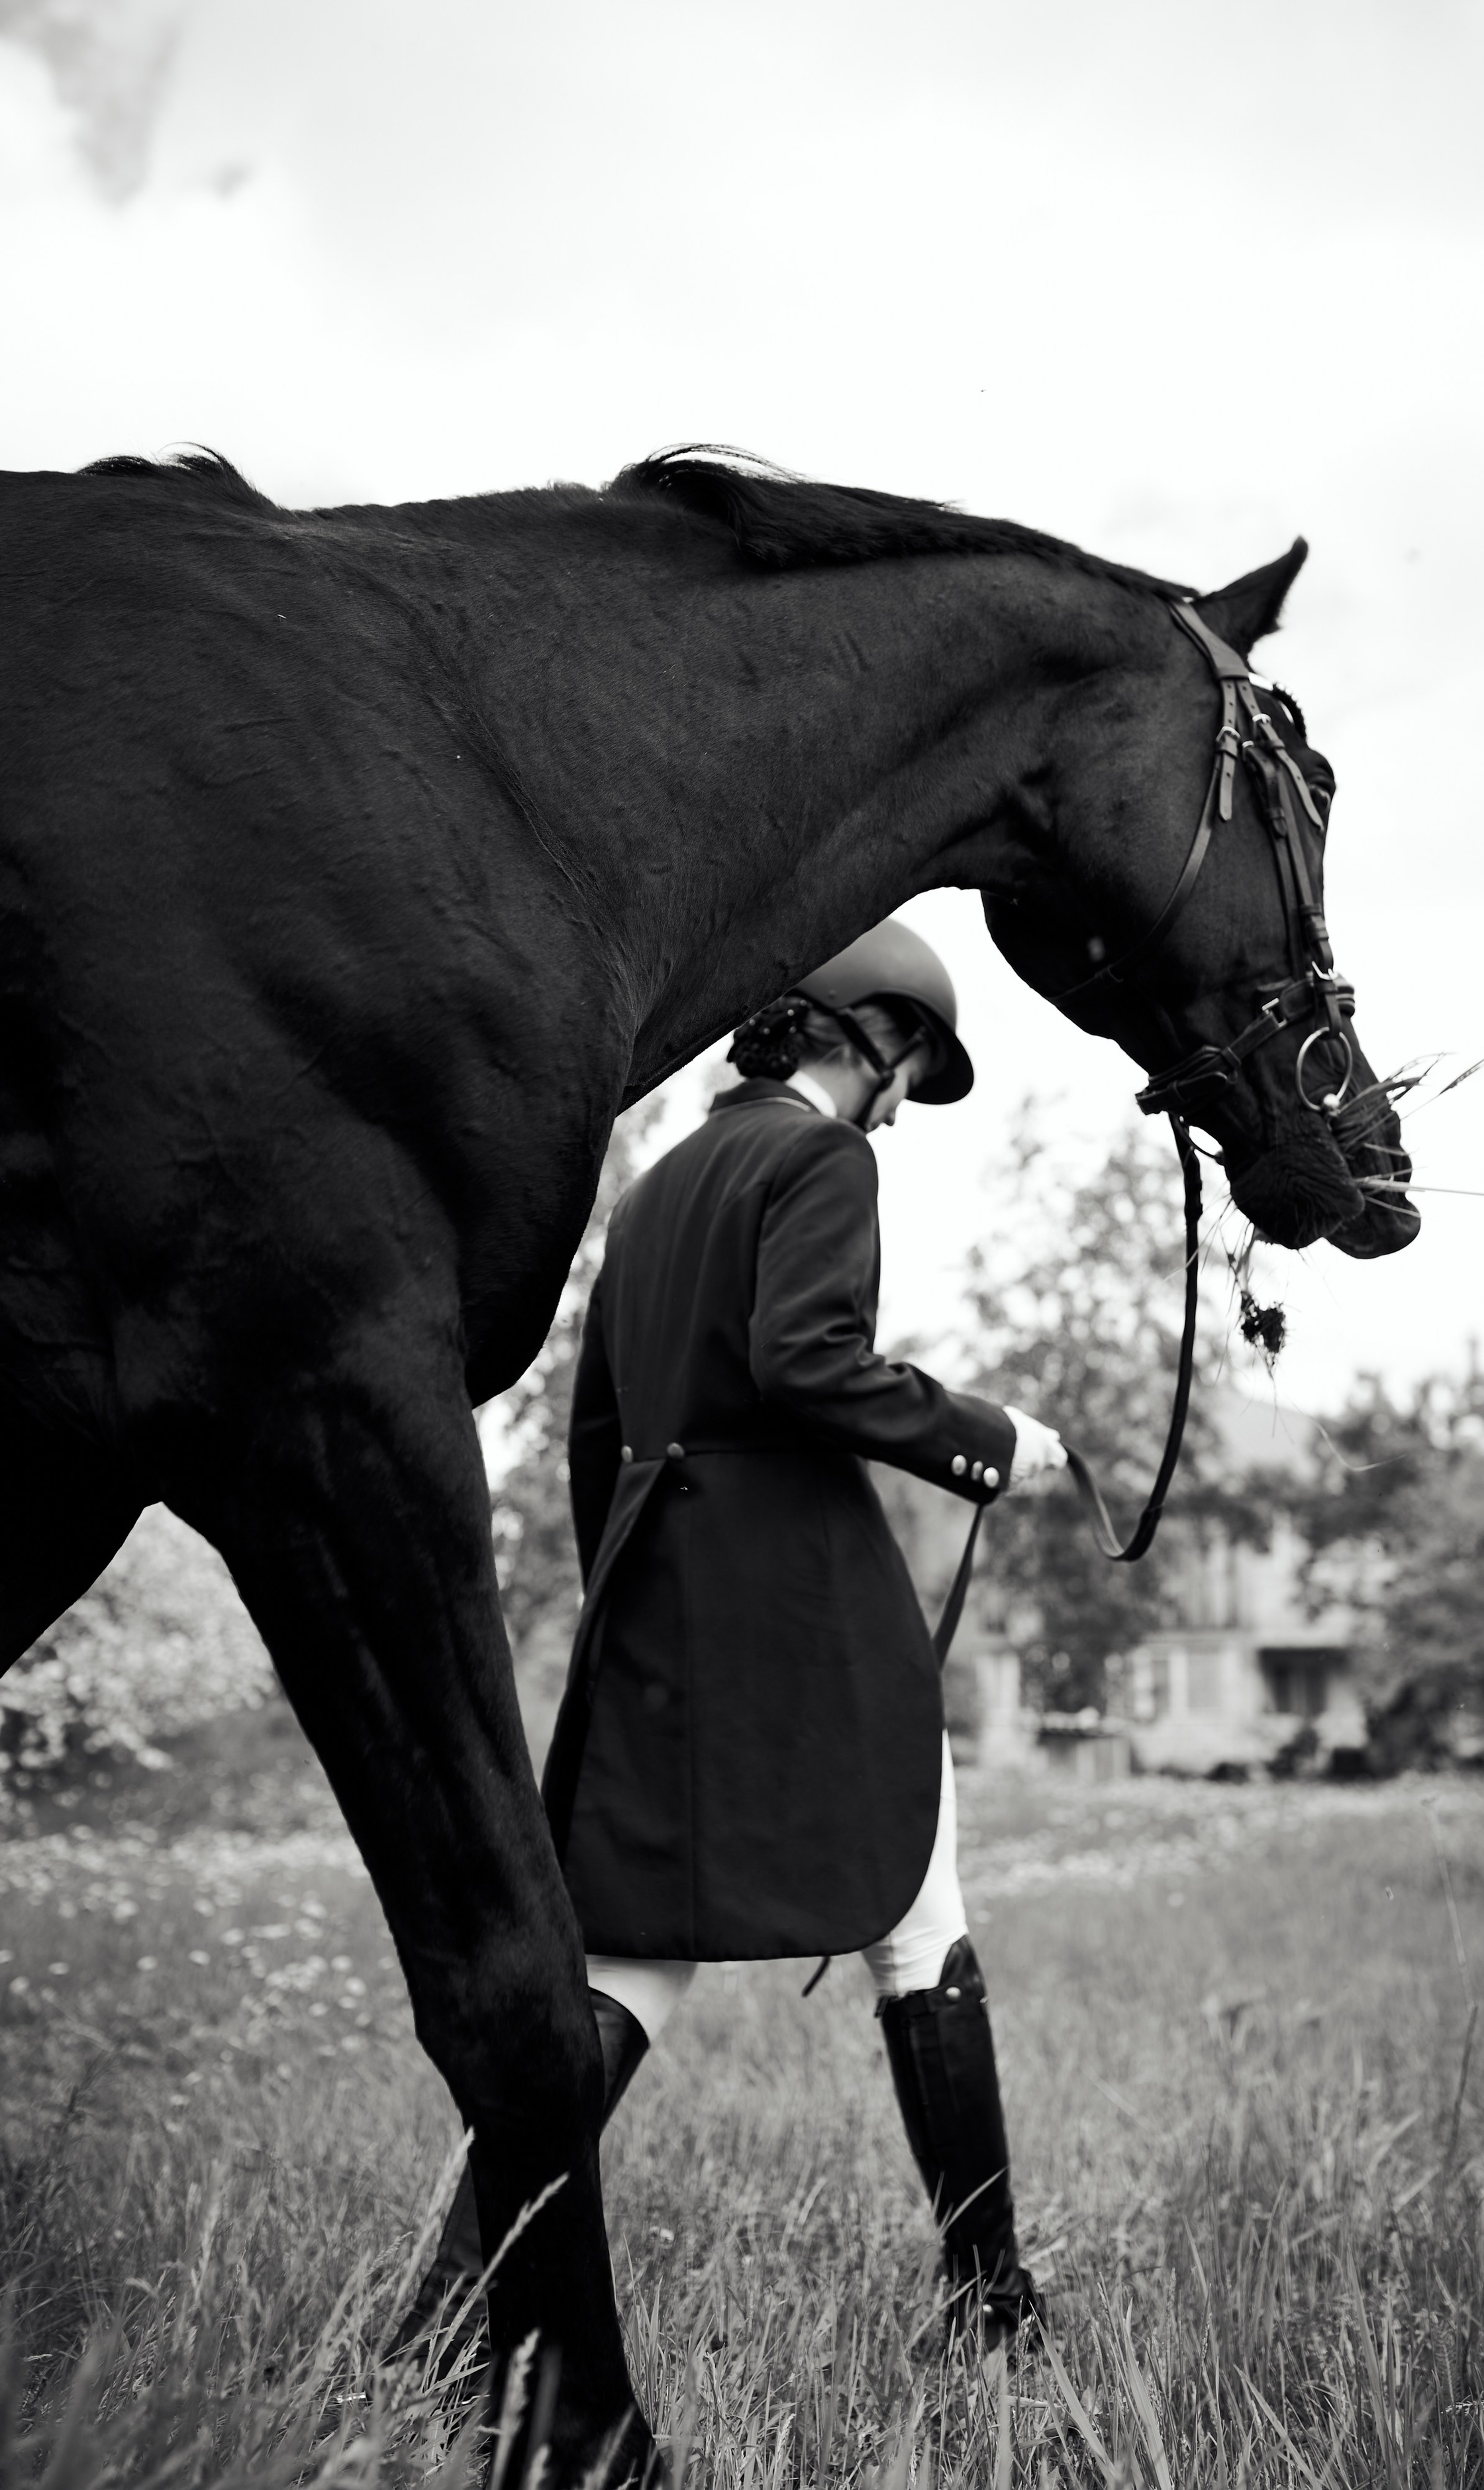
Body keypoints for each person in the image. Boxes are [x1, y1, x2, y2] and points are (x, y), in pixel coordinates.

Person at [398, 919, 1067, 2354]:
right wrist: (985, 1440)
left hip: (655, 1602)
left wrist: (629, 1602)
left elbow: (592, 1434)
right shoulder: (821, 1159)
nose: (902, 1102)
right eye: (910, 1066)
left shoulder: (652, 1185)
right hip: (800, 1617)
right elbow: (806, 1361)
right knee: (919, 1922)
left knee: (628, 1959)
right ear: (859, 1031)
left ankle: (447, 2310)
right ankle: (989, 2301)